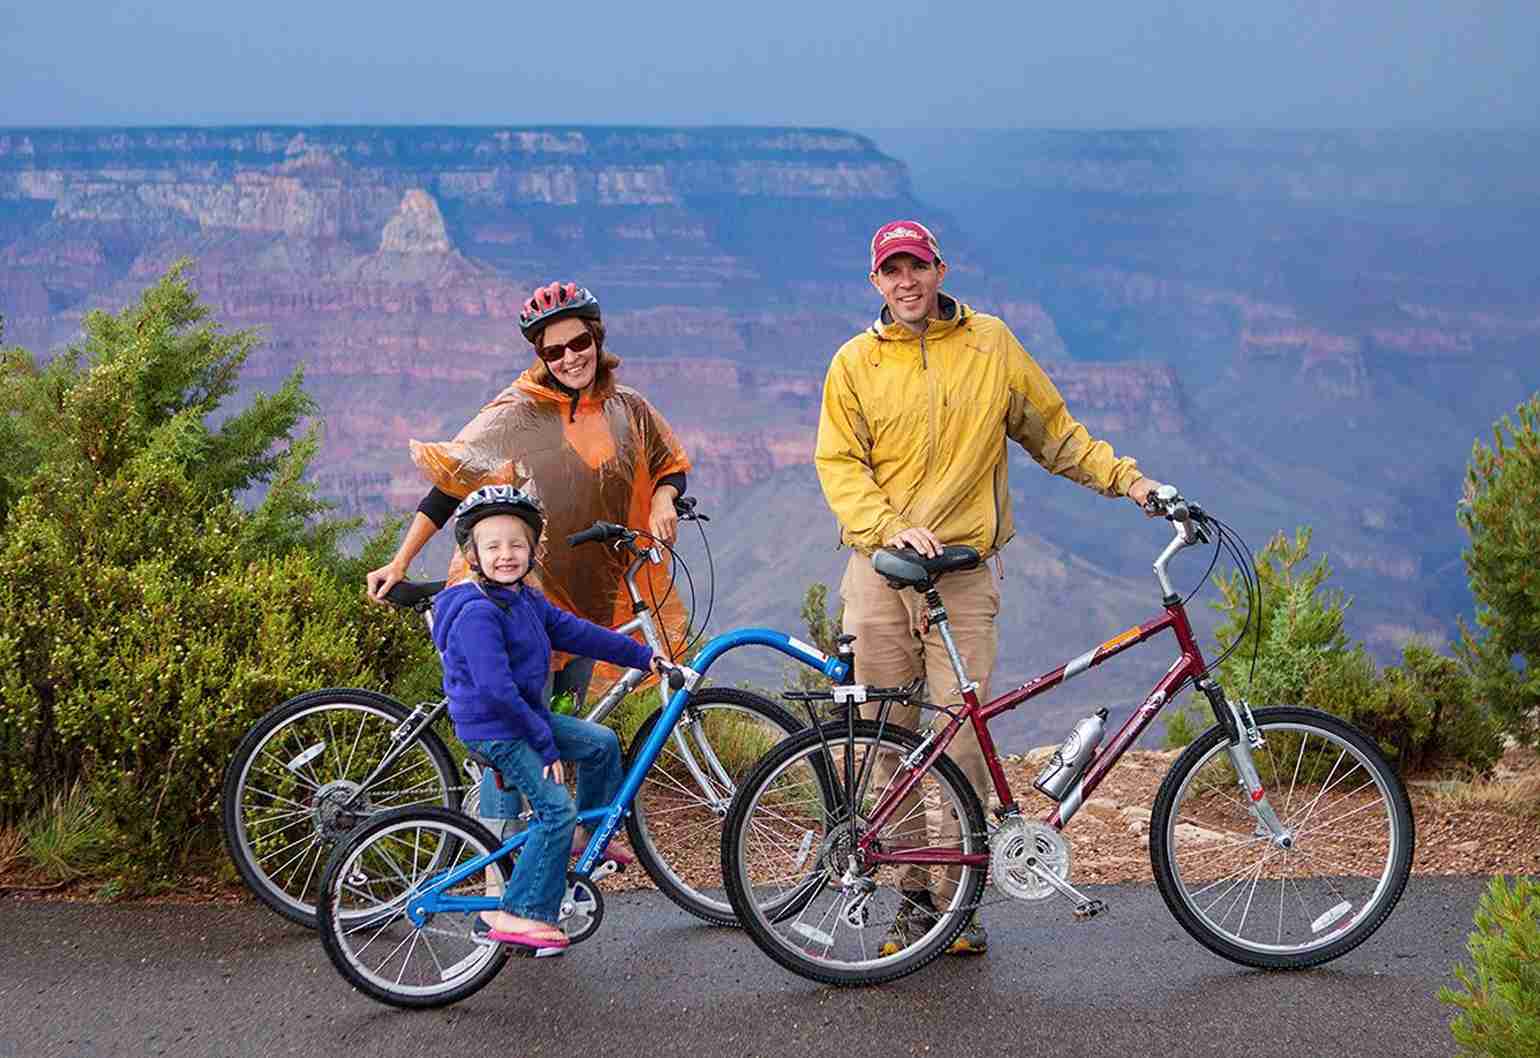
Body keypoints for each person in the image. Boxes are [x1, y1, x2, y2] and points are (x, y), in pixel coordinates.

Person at [814, 220, 1162, 957]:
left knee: (962, 739)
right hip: (878, 575)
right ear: (875, 282)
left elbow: (1056, 434)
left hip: (965, 577)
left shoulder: (992, 345)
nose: (906, 282)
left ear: (940, 269)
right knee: (888, 741)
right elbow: (840, 464)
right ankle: (912, 903)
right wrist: (886, 526)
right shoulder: (853, 363)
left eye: (917, 267)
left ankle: (957, 903)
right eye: (891, 271)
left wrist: (1131, 482)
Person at [365, 281, 691, 832]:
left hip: (585, 598)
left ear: (597, 336)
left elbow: (669, 463)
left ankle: (561, 860)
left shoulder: (627, 407)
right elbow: (450, 485)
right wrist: (400, 561)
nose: (569, 358)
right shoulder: (516, 413)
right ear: (539, 356)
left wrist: (664, 499)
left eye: (578, 342)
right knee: (514, 743)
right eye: (553, 351)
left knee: (564, 720)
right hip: (514, 601)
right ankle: (502, 872)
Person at [433, 484, 665, 950]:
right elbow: (497, 694)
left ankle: (583, 836)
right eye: (493, 545)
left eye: (517, 544)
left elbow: (578, 633)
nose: (506, 555)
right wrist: (542, 744)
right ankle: (517, 913)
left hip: (521, 720)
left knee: (600, 743)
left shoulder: (525, 601)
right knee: (554, 808)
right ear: (472, 554)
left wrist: (644, 657)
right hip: (498, 731)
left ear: (532, 551)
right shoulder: (477, 612)